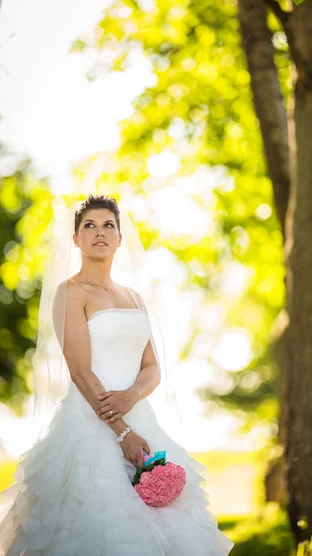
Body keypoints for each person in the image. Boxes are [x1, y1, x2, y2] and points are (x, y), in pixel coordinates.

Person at [0, 194, 234, 556]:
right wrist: (121, 430)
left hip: (140, 419)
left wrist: (131, 397)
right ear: (75, 239)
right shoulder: (70, 292)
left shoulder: (133, 297)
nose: (99, 232)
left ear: (120, 238)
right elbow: (79, 371)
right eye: (89, 225)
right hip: (90, 425)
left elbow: (152, 366)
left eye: (108, 225)